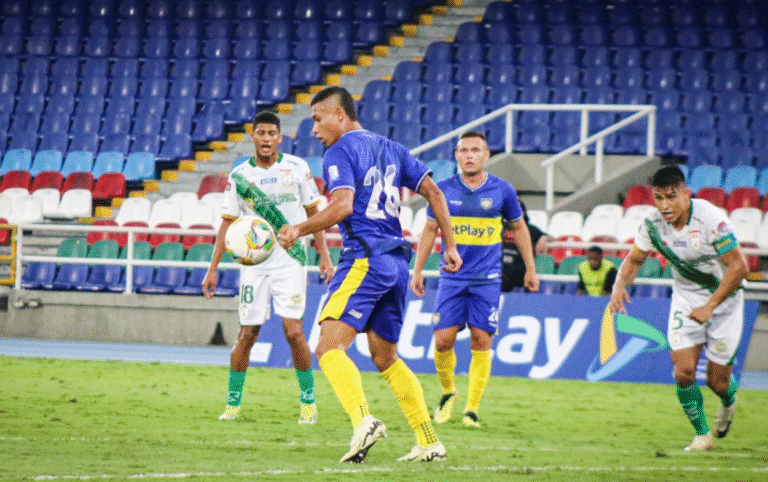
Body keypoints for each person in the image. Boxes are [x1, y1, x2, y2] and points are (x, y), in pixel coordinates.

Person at [277, 86, 462, 463]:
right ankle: (428, 441)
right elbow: (435, 194)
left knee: (328, 346)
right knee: (385, 356)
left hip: (365, 257)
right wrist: (452, 246)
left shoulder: (339, 150)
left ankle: (364, 422)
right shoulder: (393, 148)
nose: (314, 129)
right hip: (395, 264)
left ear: (340, 115)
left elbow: (343, 205)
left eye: (318, 120)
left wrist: (299, 228)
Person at [202, 110, 334, 424]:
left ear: (279, 137)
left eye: (271, 133)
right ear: (253, 137)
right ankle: (232, 405)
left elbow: (314, 213)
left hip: (291, 261)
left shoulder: (297, 168)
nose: (266, 138)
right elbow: (227, 225)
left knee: (294, 333)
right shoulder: (240, 176)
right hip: (255, 265)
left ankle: (308, 402)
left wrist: (325, 255)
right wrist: (212, 268)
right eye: (260, 133)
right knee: (247, 334)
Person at [608, 165, 748, 452]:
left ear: (686, 194)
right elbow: (634, 259)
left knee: (717, 382)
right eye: (658, 198)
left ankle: (728, 401)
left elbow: (739, 267)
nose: (665, 206)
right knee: (683, 373)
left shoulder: (710, 219)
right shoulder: (652, 225)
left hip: (724, 303)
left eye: (671, 197)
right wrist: (619, 285)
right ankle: (702, 435)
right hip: (686, 300)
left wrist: (710, 306)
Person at [410, 131, 539, 429]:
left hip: (487, 280)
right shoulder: (442, 190)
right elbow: (429, 230)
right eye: (464, 150)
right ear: (456, 155)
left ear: (486, 155)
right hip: (452, 278)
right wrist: (417, 271)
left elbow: (519, 228)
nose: (469, 155)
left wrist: (531, 268)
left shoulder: (503, 190)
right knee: (443, 340)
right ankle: (448, 392)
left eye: (476, 150)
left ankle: (471, 410)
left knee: (481, 340)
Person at [501, 201, 553, 291]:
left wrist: (545, 238)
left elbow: (554, 239)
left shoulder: (530, 229)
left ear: (523, 212)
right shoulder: (501, 227)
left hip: (518, 267)